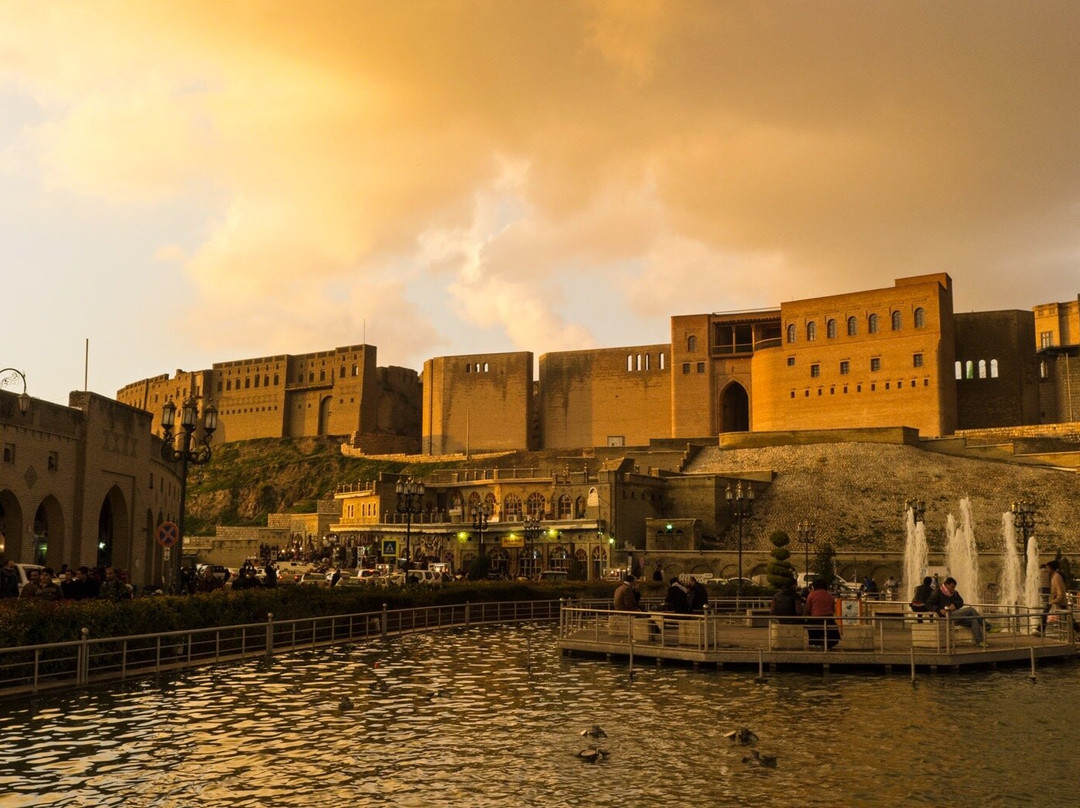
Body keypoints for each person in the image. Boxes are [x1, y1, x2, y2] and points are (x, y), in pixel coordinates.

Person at [925, 576, 988, 646]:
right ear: (946, 584)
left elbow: (961, 601)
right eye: (952, 587)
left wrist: (955, 605)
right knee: (971, 610)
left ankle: (979, 641)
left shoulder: (954, 593)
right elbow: (928, 604)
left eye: (954, 587)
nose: (953, 588)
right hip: (946, 616)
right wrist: (939, 610)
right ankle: (988, 627)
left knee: (974, 620)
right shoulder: (937, 593)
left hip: (955, 615)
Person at [804, 578, 839, 649]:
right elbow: (833, 609)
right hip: (829, 618)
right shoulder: (830, 595)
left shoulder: (812, 594)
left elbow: (808, 608)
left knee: (812, 629)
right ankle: (827, 644)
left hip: (815, 618)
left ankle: (815, 643)